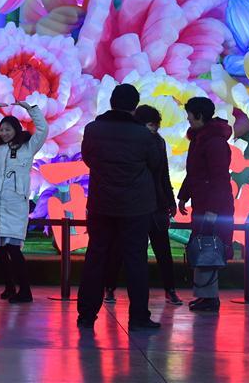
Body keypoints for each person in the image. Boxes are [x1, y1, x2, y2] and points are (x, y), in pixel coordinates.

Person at [76, 84, 161, 331]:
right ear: (134, 106)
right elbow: (154, 163)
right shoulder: (144, 135)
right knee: (135, 260)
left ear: (111, 102)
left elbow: (88, 159)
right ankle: (138, 317)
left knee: (96, 257)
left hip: (102, 203)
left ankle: (86, 315)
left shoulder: (93, 129)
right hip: (135, 206)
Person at [103, 105, 182, 306]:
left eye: (156, 125)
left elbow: (163, 173)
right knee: (120, 249)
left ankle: (170, 290)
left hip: (156, 204)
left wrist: (170, 201)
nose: (154, 129)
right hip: (132, 204)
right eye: (150, 125)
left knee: (163, 249)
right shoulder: (129, 142)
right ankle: (109, 288)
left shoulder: (158, 142)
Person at [0, 100, 48, 304]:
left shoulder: (28, 147)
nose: (4, 132)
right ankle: (9, 287)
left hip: (15, 204)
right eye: (2, 129)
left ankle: (25, 291)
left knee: (13, 250)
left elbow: (43, 129)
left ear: (16, 130)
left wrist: (31, 109)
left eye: (8, 129)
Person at [177, 96, 234, 313]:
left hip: (214, 206)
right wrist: (184, 196)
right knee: (202, 247)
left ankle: (210, 298)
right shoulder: (200, 139)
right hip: (203, 203)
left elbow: (218, 178)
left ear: (199, 115)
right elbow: (194, 173)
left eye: (190, 115)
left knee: (209, 248)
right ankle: (204, 296)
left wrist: (212, 210)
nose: (188, 119)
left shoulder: (214, 142)